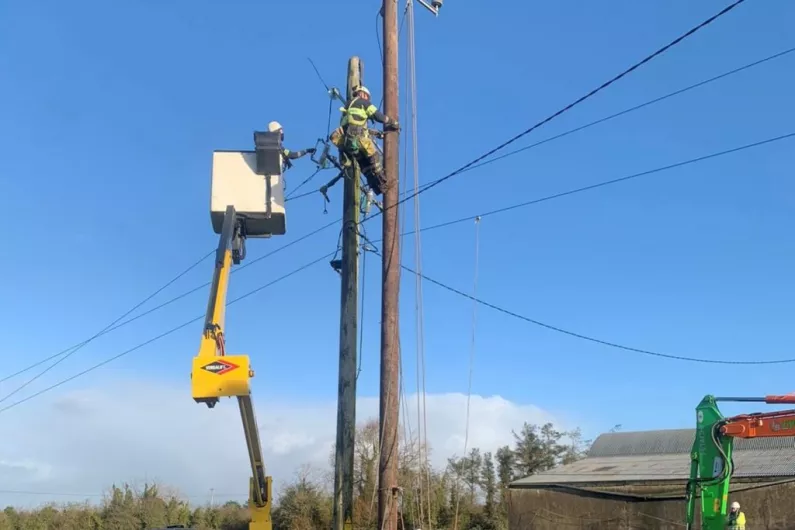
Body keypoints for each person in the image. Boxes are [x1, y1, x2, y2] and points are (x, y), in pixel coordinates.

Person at [328, 85, 400, 195]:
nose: (367, 99)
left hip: (348, 143)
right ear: (363, 94)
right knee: (374, 159)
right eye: (367, 96)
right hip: (359, 139)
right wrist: (392, 122)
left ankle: (377, 188)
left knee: (365, 166)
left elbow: (354, 125)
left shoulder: (347, 106)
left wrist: (375, 133)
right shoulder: (363, 102)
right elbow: (378, 116)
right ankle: (384, 183)